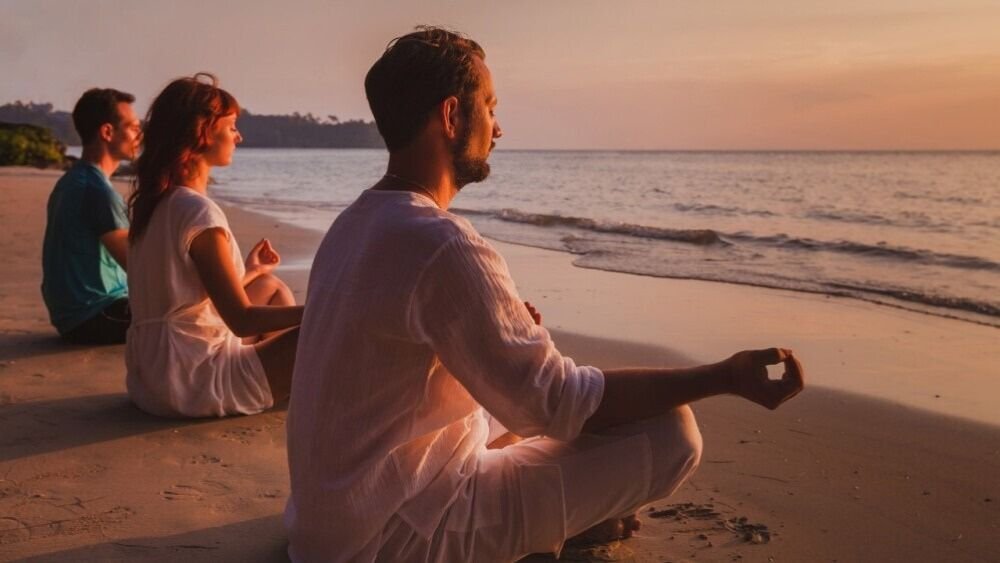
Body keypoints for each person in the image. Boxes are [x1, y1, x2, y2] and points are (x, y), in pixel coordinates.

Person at [285, 27, 805, 562]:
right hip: (396, 538)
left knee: (516, 407)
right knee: (673, 432)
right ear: (451, 117)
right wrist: (724, 376)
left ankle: (556, 519)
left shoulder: (353, 224)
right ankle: (557, 527)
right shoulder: (442, 243)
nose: (499, 127)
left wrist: (503, 337)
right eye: (488, 107)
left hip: (329, 521)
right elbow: (557, 403)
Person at [124, 74, 301, 418]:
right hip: (193, 382)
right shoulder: (197, 211)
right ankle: (295, 385)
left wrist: (249, 271)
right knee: (331, 325)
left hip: (152, 378)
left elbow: (181, 298)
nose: (239, 136)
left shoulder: (155, 204)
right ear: (202, 132)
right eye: (232, 125)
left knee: (269, 285)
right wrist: (327, 307)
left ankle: (289, 382)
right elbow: (241, 320)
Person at [41, 88, 140, 344]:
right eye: (133, 127)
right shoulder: (95, 190)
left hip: (75, 314)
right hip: (93, 315)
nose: (139, 135)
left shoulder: (73, 180)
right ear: (107, 132)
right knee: (193, 315)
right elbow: (138, 266)